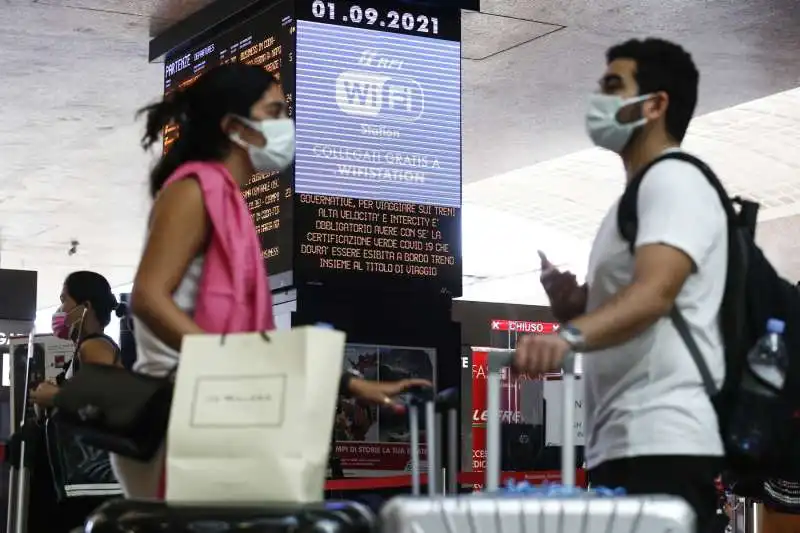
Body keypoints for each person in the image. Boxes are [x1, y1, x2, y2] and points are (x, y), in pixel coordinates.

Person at [116, 63, 429, 500]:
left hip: (215, 409)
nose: (287, 125)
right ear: (234, 127)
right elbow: (149, 296)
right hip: (177, 415)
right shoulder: (192, 191)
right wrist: (223, 365)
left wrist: (352, 385)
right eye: (275, 111)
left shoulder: (228, 200)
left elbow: (252, 343)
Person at [513, 39, 725, 533]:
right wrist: (574, 305)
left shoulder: (674, 181)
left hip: (663, 439)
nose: (598, 99)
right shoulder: (629, 201)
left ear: (655, 105)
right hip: (623, 439)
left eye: (612, 86)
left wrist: (567, 338)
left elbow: (656, 293)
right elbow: (630, 307)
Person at [28, 271, 122, 533]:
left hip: (87, 486)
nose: (59, 310)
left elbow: (107, 393)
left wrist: (54, 396)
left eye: (64, 301)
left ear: (85, 307)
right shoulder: (85, 349)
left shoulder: (94, 346)